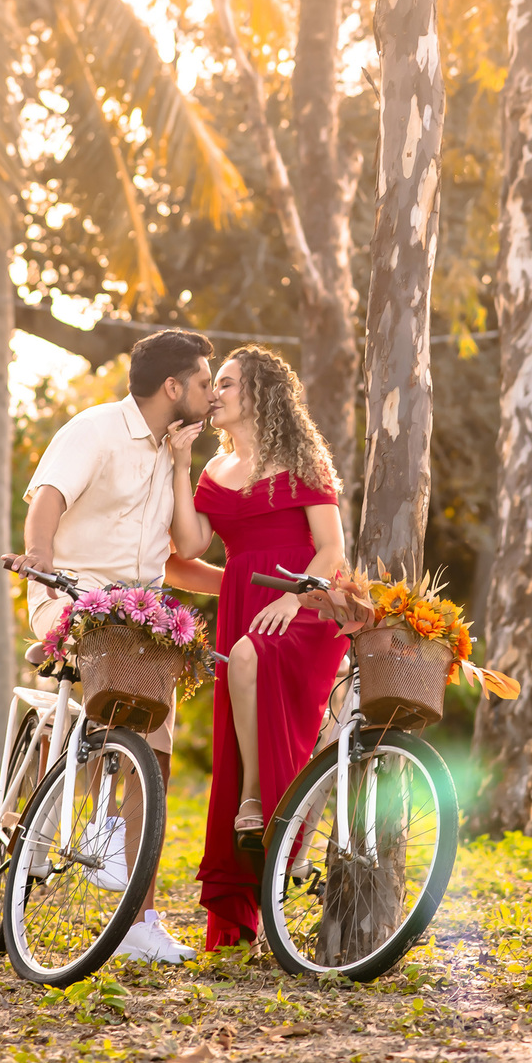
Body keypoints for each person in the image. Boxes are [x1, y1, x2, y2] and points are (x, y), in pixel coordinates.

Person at [6, 328, 223, 965]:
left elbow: (178, 558)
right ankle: (58, 801)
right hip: (74, 593)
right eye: (205, 383)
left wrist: (240, 588)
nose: (212, 397)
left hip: (144, 612)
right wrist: (41, 561)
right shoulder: (95, 429)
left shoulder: (174, 454)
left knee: (152, 757)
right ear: (173, 387)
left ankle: (140, 922)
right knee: (99, 693)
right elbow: (48, 499)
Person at [167, 344, 347, 951]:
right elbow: (187, 551)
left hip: (305, 608)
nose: (214, 392)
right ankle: (250, 900)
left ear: (261, 393)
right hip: (247, 609)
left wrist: (295, 598)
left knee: (248, 660)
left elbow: (332, 552)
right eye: (213, 383)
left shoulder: (305, 459)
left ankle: (256, 804)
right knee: (234, 724)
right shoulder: (213, 473)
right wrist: (179, 464)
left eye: (227, 383)